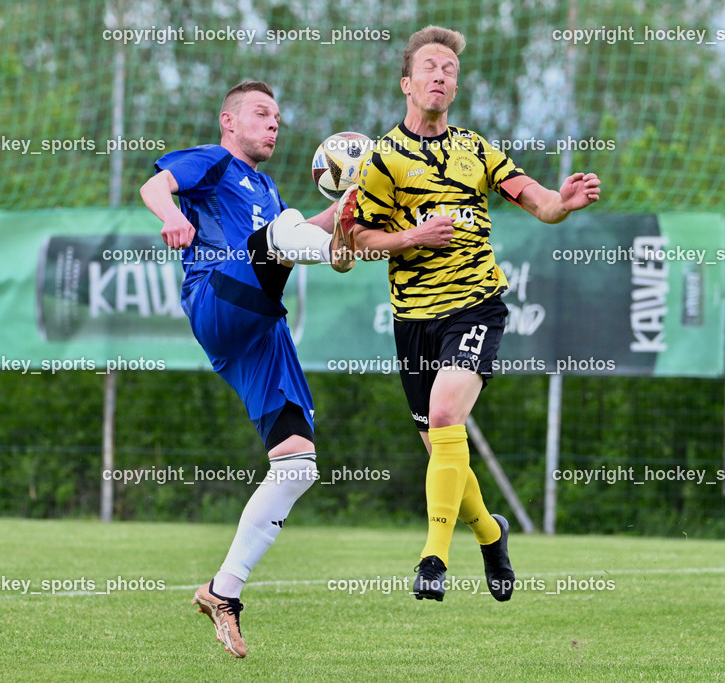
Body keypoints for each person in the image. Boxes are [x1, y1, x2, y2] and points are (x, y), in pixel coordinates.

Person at [346, 26, 601, 601]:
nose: (441, 75)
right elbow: (359, 241)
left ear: (455, 88)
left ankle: (432, 560)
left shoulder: (477, 149)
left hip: (475, 304)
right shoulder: (383, 160)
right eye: (430, 67)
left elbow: (541, 205)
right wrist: (414, 237)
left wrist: (564, 200)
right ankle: (491, 535)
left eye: (450, 70)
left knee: (444, 418)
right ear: (407, 82)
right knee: (444, 452)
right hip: (412, 319)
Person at [140, 80, 352, 658]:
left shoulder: (268, 188)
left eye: (278, 116)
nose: (273, 123)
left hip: (260, 330)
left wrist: (352, 209)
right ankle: (338, 251)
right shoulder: (213, 162)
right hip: (218, 298)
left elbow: (298, 233)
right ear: (228, 122)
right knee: (285, 232)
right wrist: (170, 217)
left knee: (298, 465)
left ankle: (222, 591)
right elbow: (155, 184)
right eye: (261, 113)